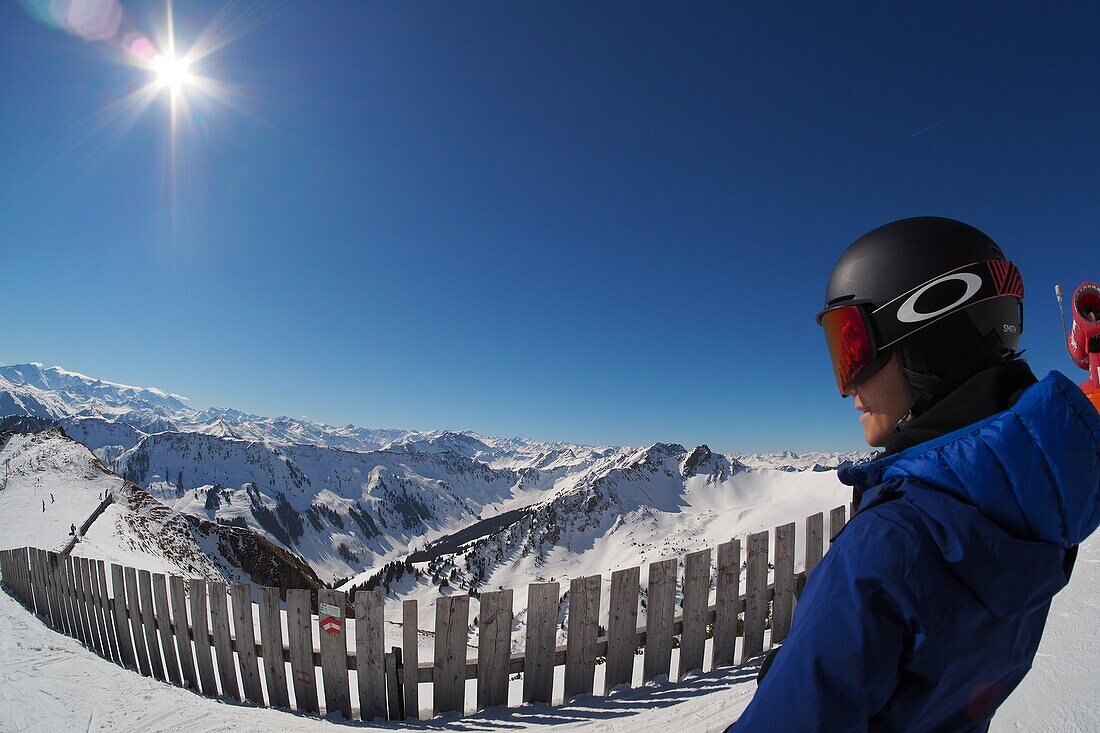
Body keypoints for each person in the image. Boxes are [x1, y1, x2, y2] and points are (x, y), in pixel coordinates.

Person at [728, 217, 1100, 732]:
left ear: (932, 336)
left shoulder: (887, 548)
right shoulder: (1040, 501)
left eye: (853, 348)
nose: (847, 388)